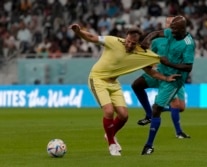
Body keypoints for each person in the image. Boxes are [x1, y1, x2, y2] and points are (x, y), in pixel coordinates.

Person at [68, 24, 180, 156]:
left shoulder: (141, 54)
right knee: (109, 111)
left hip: (113, 83)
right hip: (97, 79)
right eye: (128, 41)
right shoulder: (113, 41)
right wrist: (78, 31)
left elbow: (151, 72)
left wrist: (166, 78)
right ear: (125, 37)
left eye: (133, 43)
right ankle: (112, 144)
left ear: (137, 43)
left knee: (124, 115)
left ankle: (109, 135)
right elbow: (92, 37)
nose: (129, 44)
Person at [139, 15, 195, 155]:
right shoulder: (171, 32)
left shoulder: (188, 44)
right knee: (137, 85)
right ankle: (148, 115)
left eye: (174, 29)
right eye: (171, 28)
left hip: (173, 79)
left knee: (158, 108)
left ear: (182, 29)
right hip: (161, 72)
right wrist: (147, 39)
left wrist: (168, 63)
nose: (171, 31)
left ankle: (149, 146)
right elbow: (157, 33)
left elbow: (188, 67)